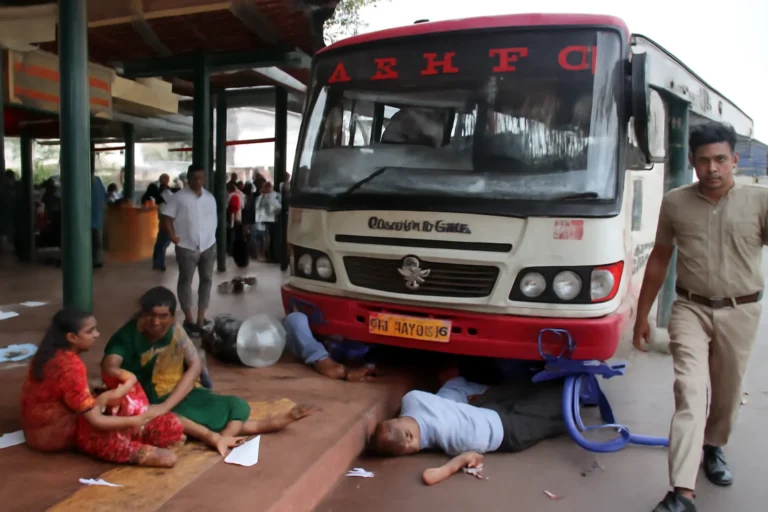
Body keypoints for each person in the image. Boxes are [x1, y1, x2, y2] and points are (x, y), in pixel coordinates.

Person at [632, 122, 767, 512]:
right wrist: (643, 315)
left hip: (741, 310)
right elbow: (659, 257)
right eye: (704, 160)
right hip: (690, 308)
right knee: (690, 392)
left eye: (721, 160)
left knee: (725, 395)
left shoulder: (759, 201)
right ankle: (682, 493)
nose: (712, 168)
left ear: (735, 161)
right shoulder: (675, 202)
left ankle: (714, 446)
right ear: (692, 162)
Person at [102, 286, 314, 456]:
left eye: (163, 316)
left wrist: (166, 404)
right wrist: (130, 383)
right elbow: (110, 366)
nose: (156, 322)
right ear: (142, 314)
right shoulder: (125, 337)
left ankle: (225, 437)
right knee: (177, 419)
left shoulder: (175, 330)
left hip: (180, 394)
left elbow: (194, 365)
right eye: (150, 316)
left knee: (236, 405)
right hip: (147, 400)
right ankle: (219, 437)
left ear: (172, 316)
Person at [20, 308, 184, 468]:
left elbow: (71, 394)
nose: (97, 335)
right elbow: (96, 420)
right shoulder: (69, 366)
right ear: (72, 337)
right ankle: (132, 444)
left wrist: (111, 396)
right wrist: (136, 420)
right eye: (90, 331)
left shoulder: (51, 354)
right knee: (167, 455)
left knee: (159, 421)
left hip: (38, 433)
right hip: (55, 436)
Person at [369, 376, 565, 485]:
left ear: (410, 441)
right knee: (532, 389)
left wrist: (461, 460)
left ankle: (572, 397)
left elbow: (430, 476)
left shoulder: (444, 437)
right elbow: (450, 394)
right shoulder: (411, 399)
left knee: (555, 413)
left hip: (504, 432)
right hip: (483, 404)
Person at [161, 164, 218, 334]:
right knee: (186, 280)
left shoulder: (210, 198)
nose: (199, 181)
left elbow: (212, 219)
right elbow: (166, 217)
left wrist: (212, 236)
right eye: (195, 178)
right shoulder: (178, 197)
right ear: (188, 178)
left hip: (208, 244)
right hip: (187, 246)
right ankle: (189, 318)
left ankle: (201, 317)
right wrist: (172, 236)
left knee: (206, 279)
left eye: (202, 178)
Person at [283, 311, 375, 381]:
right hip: (318, 343)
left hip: (360, 348)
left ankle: (325, 362)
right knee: (295, 318)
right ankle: (321, 359)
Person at [254, 181, 281, 263]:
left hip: (272, 220)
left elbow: (278, 207)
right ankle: (267, 255)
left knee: (270, 239)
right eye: (267, 187)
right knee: (266, 238)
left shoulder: (275, 195)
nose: (268, 189)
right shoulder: (261, 197)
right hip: (265, 220)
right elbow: (258, 207)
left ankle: (271, 255)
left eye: (269, 187)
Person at [91, 167, 107, 268]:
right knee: (97, 241)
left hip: (93, 217)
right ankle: (97, 260)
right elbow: (104, 197)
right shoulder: (98, 181)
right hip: (97, 217)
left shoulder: (93, 182)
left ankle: (96, 260)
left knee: (96, 241)